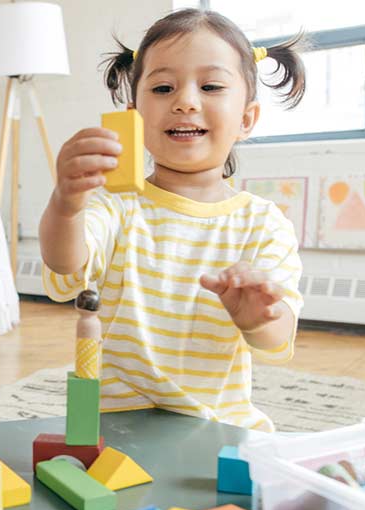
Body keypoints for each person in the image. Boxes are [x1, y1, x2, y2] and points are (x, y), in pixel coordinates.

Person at [39, 9, 306, 431]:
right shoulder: (117, 205)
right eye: (163, 87)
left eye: (211, 86)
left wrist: (259, 318)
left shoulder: (262, 223)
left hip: (218, 426)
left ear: (246, 119)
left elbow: (277, 341)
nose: (185, 101)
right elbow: (65, 263)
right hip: (115, 425)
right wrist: (66, 203)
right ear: (134, 116)